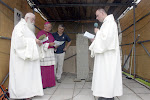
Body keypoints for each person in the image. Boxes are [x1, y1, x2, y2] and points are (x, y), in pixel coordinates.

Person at [89, 8, 123, 100]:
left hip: (108, 57)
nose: (97, 18)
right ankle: (103, 94)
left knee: (107, 76)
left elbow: (107, 40)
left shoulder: (110, 23)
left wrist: (98, 32)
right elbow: (104, 39)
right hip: (105, 56)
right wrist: (95, 40)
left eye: (97, 15)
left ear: (102, 13)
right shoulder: (106, 23)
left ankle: (107, 96)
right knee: (103, 76)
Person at [9, 12, 44, 99]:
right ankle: (24, 94)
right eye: (32, 19)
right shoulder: (19, 27)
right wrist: (34, 41)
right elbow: (19, 41)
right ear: (27, 18)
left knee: (29, 76)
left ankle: (30, 92)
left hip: (29, 58)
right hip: (21, 59)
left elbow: (30, 39)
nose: (34, 22)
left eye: (34, 20)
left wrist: (37, 43)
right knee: (23, 76)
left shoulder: (27, 28)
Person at [36, 22, 56, 88]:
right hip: (44, 53)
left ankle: (51, 83)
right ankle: (44, 84)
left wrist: (55, 45)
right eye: (49, 27)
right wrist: (48, 44)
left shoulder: (50, 34)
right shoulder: (40, 33)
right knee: (44, 70)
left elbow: (53, 41)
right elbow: (39, 44)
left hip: (50, 53)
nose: (50, 29)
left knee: (50, 68)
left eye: (50, 28)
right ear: (45, 26)